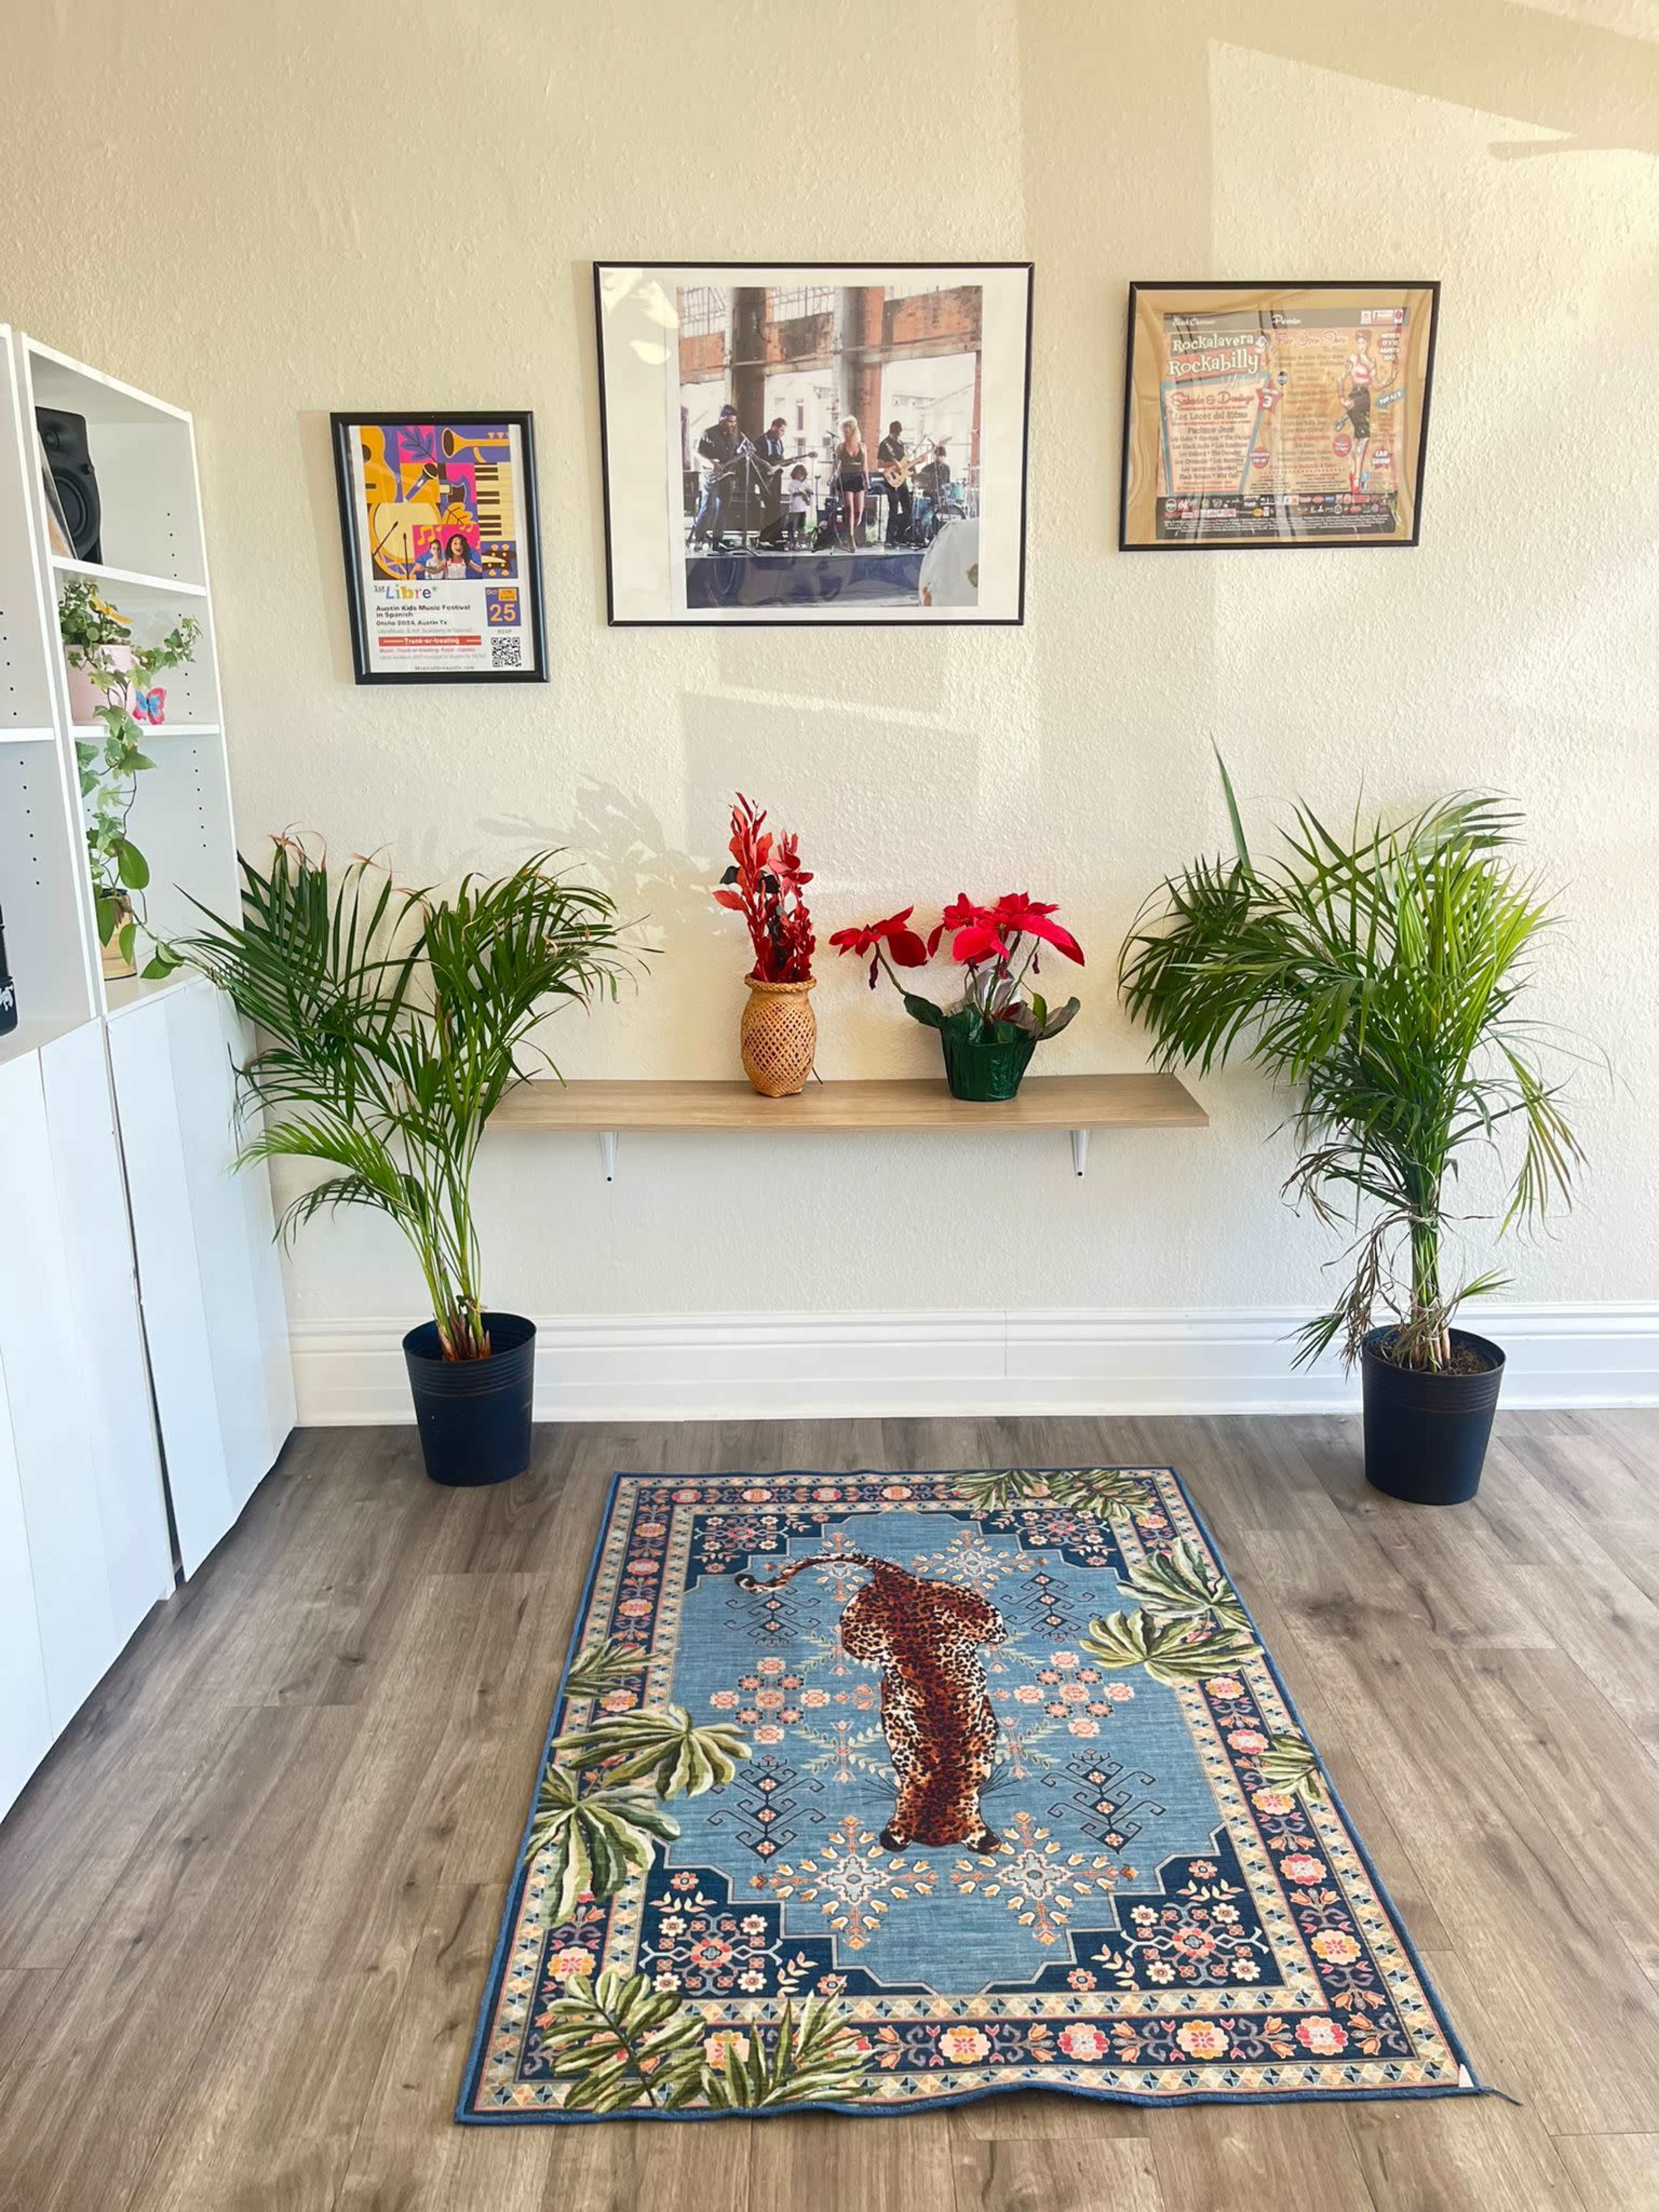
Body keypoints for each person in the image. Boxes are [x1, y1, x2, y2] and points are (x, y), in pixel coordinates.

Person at [693, 403, 741, 547]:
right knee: (709, 507)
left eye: (734, 422)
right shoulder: (709, 433)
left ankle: (717, 540)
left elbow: (735, 455)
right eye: (730, 422)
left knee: (723, 509)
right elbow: (697, 453)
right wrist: (711, 463)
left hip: (727, 477)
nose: (732, 425)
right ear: (722, 419)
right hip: (711, 476)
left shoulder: (734, 437)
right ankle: (699, 539)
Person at [1337, 330, 1376, 489]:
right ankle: (1357, 479)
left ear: (1368, 343)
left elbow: (1376, 384)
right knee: (1364, 437)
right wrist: (1342, 399)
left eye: (1363, 342)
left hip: (1366, 399)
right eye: (1359, 342)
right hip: (1355, 397)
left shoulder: (1372, 362)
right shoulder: (1354, 359)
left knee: (1358, 438)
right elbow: (1341, 377)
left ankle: (1354, 473)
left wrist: (1391, 380)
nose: (1361, 345)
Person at [876, 419, 912, 547]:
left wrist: (916, 463)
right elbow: (880, 465)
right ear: (892, 432)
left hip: (902, 479)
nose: (898, 436)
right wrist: (893, 463)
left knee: (908, 508)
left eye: (899, 433)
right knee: (894, 508)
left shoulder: (901, 445)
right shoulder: (885, 445)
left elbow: (904, 464)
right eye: (896, 434)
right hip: (891, 480)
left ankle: (900, 535)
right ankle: (889, 539)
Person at [835, 416, 868, 551]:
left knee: (859, 512)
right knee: (849, 509)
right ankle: (850, 537)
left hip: (858, 478)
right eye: (844, 429)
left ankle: (849, 534)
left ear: (853, 429)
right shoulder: (841, 447)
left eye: (847, 428)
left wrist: (867, 481)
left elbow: (865, 466)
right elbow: (836, 465)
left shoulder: (863, 446)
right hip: (846, 478)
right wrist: (831, 478)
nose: (845, 431)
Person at [755, 414, 788, 544]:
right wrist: (765, 464)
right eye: (782, 430)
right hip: (765, 477)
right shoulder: (761, 441)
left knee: (776, 505)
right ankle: (769, 536)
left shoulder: (780, 443)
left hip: (777, 476)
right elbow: (754, 457)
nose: (783, 434)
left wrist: (789, 462)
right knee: (770, 505)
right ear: (774, 428)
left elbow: (781, 460)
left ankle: (772, 536)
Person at [783, 462, 812, 548]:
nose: (800, 475)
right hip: (795, 509)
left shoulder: (806, 483)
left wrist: (807, 494)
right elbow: (793, 493)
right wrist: (802, 493)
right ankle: (792, 541)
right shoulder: (793, 483)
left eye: (802, 474)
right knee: (793, 526)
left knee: (801, 527)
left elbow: (809, 492)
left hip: (803, 509)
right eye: (798, 473)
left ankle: (800, 541)